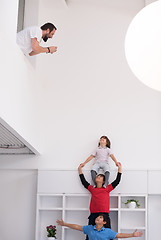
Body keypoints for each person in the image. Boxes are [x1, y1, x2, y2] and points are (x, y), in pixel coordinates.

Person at [78, 163, 122, 240]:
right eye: (97, 176)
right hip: (93, 215)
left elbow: (117, 181)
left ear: (103, 181)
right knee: (89, 235)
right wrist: (79, 170)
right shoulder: (92, 189)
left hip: (104, 215)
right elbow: (83, 182)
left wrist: (119, 169)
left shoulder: (107, 188)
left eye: (100, 176)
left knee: (108, 234)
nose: (98, 177)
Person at [56, 213, 143, 240]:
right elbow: (77, 227)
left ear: (104, 222)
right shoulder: (90, 228)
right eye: (98, 217)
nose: (98, 218)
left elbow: (119, 235)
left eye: (100, 217)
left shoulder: (108, 232)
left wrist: (132, 235)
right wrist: (65, 224)